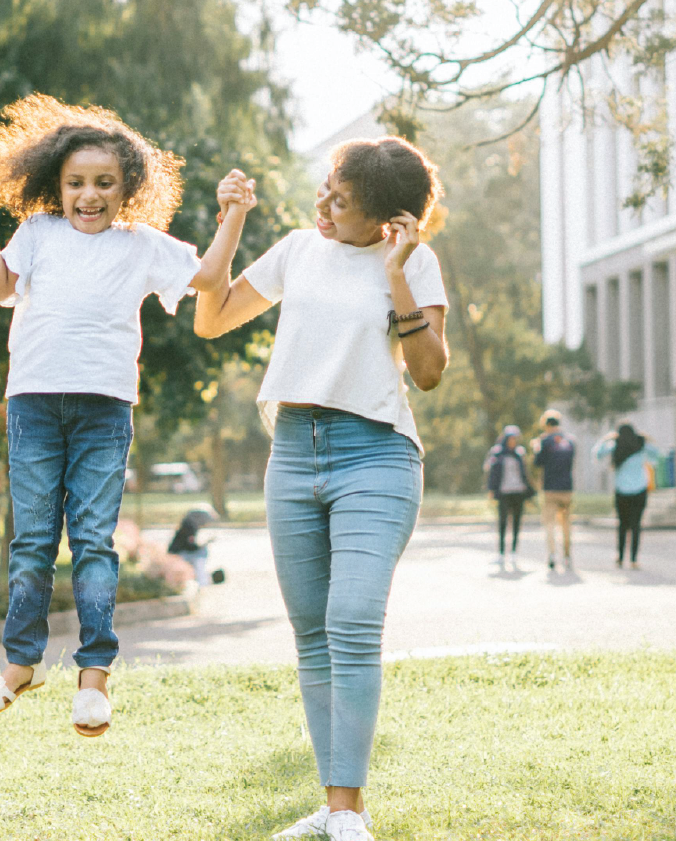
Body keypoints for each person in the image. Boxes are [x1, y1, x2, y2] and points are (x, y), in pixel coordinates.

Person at [0, 93, 255, 738]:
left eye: (103, 184)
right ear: (55, 185)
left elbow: (208, 278)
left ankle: (94, 675)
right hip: (34, 404)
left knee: (94, 540)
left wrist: (231, 214)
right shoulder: (38, 233)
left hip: (103, 409)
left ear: (129, 189)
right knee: (34, 541)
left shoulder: (142, 245)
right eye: (75, 183)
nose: (88, 196)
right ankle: (21, 665)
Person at [193, 136, 448, 841]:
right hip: (294, 455)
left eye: (344, 201)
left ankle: (345, 812)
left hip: (376, 455)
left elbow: (428, 371)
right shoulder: (300, 249)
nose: (325, 205)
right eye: (327, 190)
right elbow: (210, 319)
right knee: (313, 637)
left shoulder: (415, 261)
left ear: (390, 220)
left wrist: (396, 273)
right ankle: (340, 809)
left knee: (352, 623)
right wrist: (233, 219)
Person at [593, 423, 663, 569]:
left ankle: (619, 557)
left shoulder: (615, 446)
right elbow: (657, 454)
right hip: (640, 491)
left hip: (622, 491)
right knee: (636, 525)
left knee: (622, 525)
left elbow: (597, 454)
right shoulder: (641, 445)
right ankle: (634, 559)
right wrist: (647, 438)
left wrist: (606, 439)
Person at [529, 409, 576, 570]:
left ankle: (552, 554)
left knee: (549, 523)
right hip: (567, 488)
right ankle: (567, 555)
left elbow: (537, 463)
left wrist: (536, 447)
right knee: (566, 523)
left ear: (546, 425)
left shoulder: (545, 441)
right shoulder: (570, 440)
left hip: (550, 488)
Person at [485, 425, 533, 567]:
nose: (513, 441)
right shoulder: (497, 453)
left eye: (515, 439)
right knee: (502, 523)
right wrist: (491, 490)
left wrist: (529, 492)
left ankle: (514, 553)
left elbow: (525, 473)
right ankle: (500, 553)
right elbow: (492, 473)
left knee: (517, 523)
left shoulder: (520, 453)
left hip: (518, 492)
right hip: (504, 492)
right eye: (511, 438)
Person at [168, 503, 219, 585]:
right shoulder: (189, 526)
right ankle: (201, 580)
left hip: (181, 552)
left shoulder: (188, 524)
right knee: (201, 553)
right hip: (179, 554)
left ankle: (201, 578)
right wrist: (205, 543)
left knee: (201, 552)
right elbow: (190, 546)